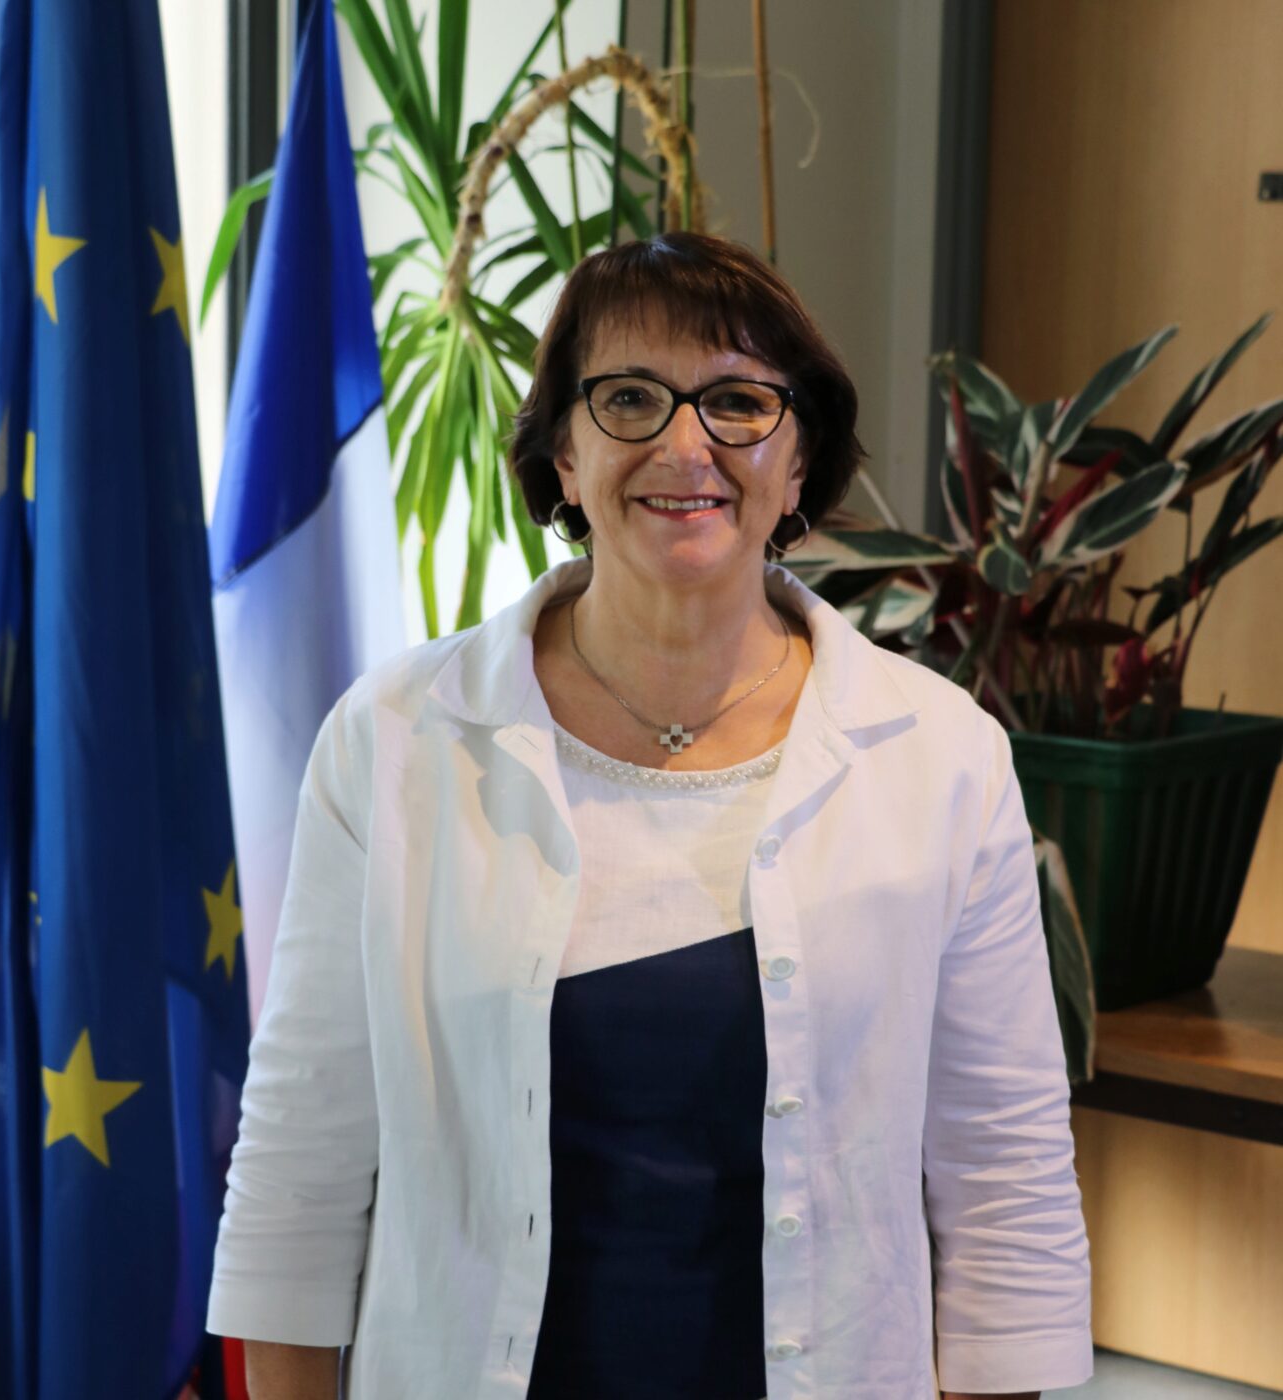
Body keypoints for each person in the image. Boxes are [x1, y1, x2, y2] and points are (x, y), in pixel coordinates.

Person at [206, 231, 1093, 1400]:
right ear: (562, 455)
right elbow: (300, 1171)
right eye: (629, 398)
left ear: (797, 460)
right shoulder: (391, 742)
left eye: (737, 401)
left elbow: (1002, 1187)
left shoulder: (939, 757)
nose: (686, 444)